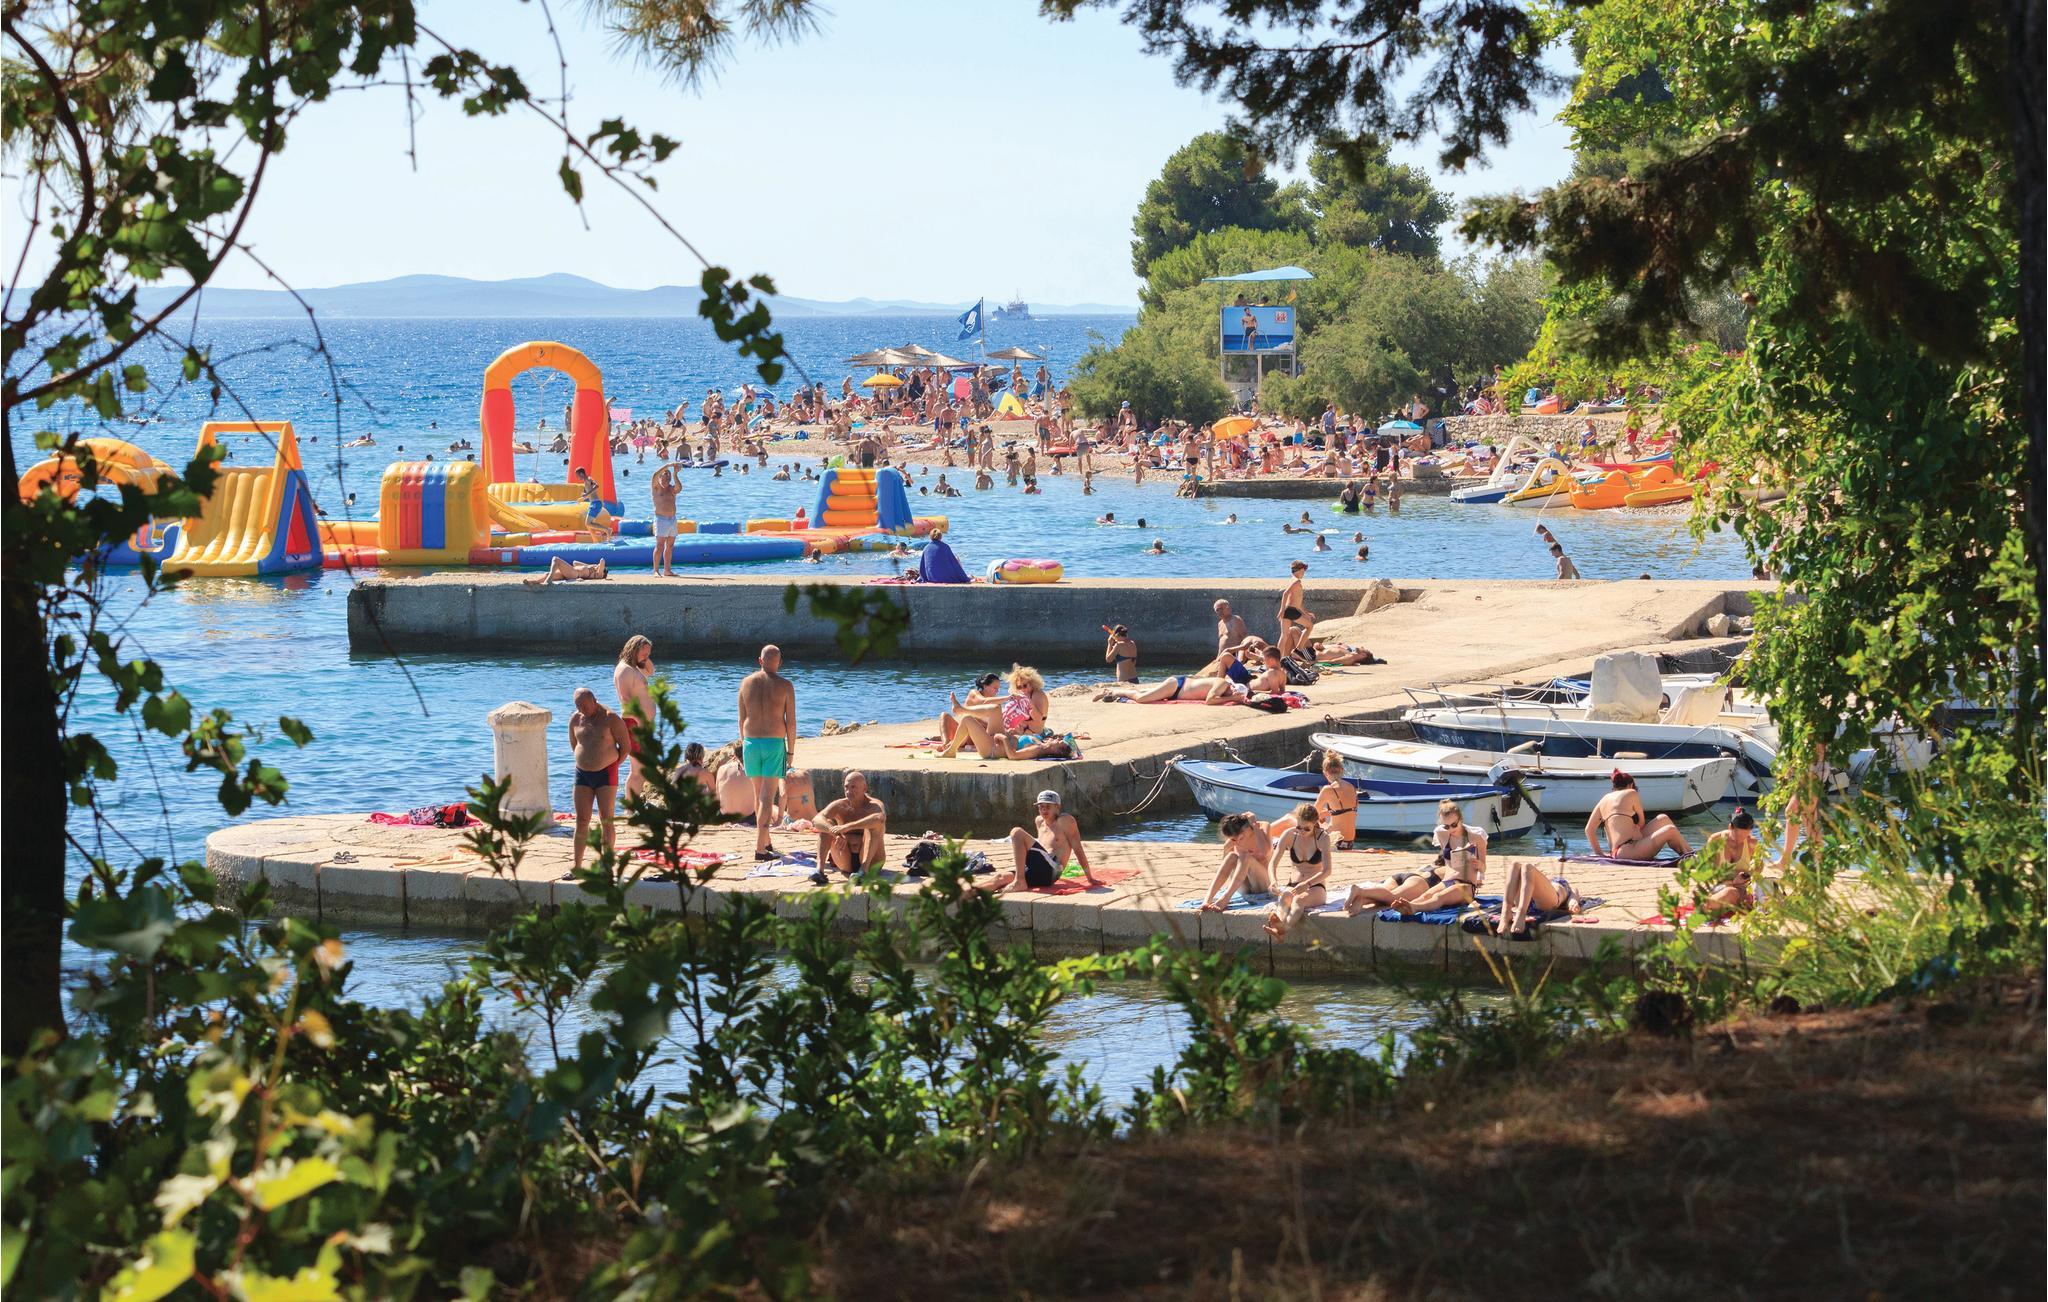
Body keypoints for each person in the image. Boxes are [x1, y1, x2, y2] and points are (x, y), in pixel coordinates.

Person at [1342, 799, 1487, 915]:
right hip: (1447, 880)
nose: (1450, 829)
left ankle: (1413, 908)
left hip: (1466, 884)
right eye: (1446, 826)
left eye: (1454, 824)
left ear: (1461, 819)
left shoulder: (1476, 837)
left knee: (1439, 897)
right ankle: (1405, 906)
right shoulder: (1442, 834)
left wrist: (1477, 864)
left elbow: (1483, 868)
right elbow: (1447, 861)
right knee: (1424, 896)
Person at [737, 645, 796, 861]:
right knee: (767, 797)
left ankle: (766, 841)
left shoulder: (746, 683)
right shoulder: (786, 686)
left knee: (758, 795)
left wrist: (744, 746)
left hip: (750, 743)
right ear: (779, 662)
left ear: (760, 661)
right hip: (773, 744)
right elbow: (791, 723)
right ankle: (760, 849)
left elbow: (741, 720)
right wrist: (791, 752)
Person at [567, 687, 629, 875]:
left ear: (595, 700)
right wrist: (585, 759)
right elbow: (574, 744)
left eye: (585, 706)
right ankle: (577, 866)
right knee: (581, 819)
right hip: (582, 773)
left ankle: (606, 867)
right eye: (578, 706)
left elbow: (625, 747)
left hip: (606, 773)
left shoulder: (611, 718)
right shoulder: (575, 719)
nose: (582, 710)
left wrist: (609, 763)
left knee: (606, 819)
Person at [989, 790, 1097, 892]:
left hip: (1051, 870)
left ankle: (1020, 881)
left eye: (1048, 806)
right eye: (1041, 807)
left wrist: (1090, 878)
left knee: (1016, 832)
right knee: (1000, 878)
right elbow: (1040, 849)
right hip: (1038, 870)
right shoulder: (1039, 821)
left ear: (1057, 807)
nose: (1044, 810)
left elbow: (1078, 849)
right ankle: (977, 895)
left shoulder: (1065, 821)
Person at [1585, 771, 1693, 860]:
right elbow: (1641, 823)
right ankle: (1690, 856)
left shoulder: (1604, 799)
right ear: (1631, 785)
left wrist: (1600, 854)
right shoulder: (1631, 793)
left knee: (1663, 818)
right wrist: (1635, 829)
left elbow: (1589, 830)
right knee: (1670, 830)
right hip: (1629, 850)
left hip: (1618, 851)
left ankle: (1689, 853)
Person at [1262, 804, 1333, 939]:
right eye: (1299, 827)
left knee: (1299, 900)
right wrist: (1273, 881)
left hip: (1315, 886)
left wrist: (1307, 884)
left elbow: (1327, 871)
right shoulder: (1289, 834)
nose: (1302, 831)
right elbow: (1272, 863)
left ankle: (1283, 930)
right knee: (1285, 896)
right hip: (1293, 884)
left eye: (1307, 828)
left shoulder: (1323, 838)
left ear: (1315, 823)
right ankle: (1278, 926)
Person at [813, 771, 888, 884]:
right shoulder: (840, 805)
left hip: (872, 861)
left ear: (864, 788)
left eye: (853, 787)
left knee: (872, 825)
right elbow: (816, 820)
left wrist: (847, 827)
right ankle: (819, 871)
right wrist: (835, 833)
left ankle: (864, 871)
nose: (849, 791)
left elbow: (880, 819)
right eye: (846, 787)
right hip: (845, 859)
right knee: (826, 825)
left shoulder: (874, 805)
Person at [1198, 811, 1280, 911]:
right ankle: (1207, 899)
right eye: (1233, 840)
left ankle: (1225, 898)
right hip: (1243, 887)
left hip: (1263, 885)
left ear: (1247, 829)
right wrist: (1228, 846)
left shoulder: (1262, 827)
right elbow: (1225, 869)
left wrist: (1254, 826)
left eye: (1241, 838)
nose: (1238, 843)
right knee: (1231, 856)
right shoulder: (1234, 838)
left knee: (1246, 856)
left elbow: (1265, 852)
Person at [1490, 858, 1586, 938]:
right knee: (1515, 865)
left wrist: (1572, 902)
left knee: (1527, 867)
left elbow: (1574, 891)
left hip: (1545, 902)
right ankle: (1506, 912)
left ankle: (1520, 914)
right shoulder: (1541, 881)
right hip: (1526, 901)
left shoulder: (1555, 884)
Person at [1696, 808, 1761, 915]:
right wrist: (1730, 882)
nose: (1741, 839)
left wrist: (1746, 876)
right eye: (1738, 835)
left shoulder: (1752, 843)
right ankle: (1708, 905)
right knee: (1730, 892)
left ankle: (1713, 905)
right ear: (1730, 827)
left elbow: (1757, 870)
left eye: (1745, 835)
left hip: (1742, 888)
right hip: (1720, 886)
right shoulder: (1715, 840)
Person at [613, 635, 655, 799]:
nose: (646, 657)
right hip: (635, 724)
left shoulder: (634, 668)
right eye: (644, 653)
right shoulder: (624, 670)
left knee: (642, 768)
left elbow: (651, 671)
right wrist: (641, 721)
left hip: (641, 723)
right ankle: (630, 808)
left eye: (648, 654)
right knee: (638, 770)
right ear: (634, 650)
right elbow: (626, 701)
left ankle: (633, 804)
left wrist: (645, 657)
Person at [1314, 752, 1359, 847]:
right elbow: (1345, 812)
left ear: (1325, 773)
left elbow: (1312, 814)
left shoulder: (1328, 789)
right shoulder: (1352, 787)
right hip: (1349, 842)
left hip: (1336, 842)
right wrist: (1327, 813)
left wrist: (1322, 816)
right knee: (1322, 822)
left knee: (1290, 820)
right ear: (1342, 770)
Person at [649, 464, 679, 575]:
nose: (667, 475)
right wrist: (668, 466)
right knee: (660, 545)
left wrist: (675, 473)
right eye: (665, 473)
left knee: (670, 546)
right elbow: (654, 475)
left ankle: (667, 570)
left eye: (668, 474)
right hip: (661, 519)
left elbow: (679, 488)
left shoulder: (671, 489)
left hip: (672, 519)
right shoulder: (656, 487)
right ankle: (656, 571)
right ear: (660, 476)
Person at [521, 556, 608, 586]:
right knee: (547, 574)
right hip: (570, 573)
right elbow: (575, 562)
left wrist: (594, 566)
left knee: (555, 559)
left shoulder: (599, 574)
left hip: (574, 574)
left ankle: (548, 581)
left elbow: (602, 560)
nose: (597, 565)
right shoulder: (591, 569)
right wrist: (588, 566)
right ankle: (533, 582)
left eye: (599, 566)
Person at [1278, 560, 1307, 640]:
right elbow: (1285, 594)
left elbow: (1296, 601)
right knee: (1309, 626)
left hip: (1288, 609)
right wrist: (1281, 610)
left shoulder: (1292, 579)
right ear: (1299, 571)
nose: (1303, 574)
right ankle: (1300, 646)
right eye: (1303, 571)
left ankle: (1279, 650)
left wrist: (1306, 613)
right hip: (1291, 610)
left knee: (1284, 635)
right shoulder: (1297, 581)